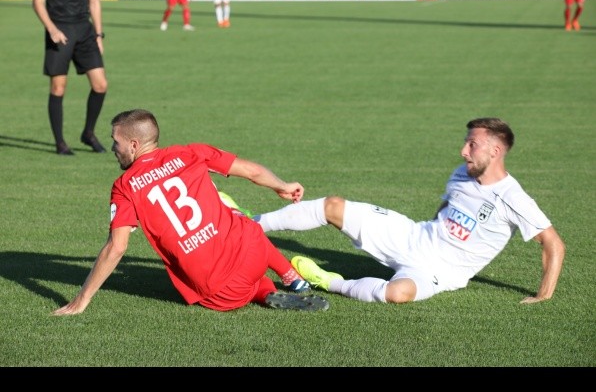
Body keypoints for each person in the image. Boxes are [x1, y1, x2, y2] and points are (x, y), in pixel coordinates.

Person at [254, 118, 566, 305]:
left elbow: (553, 243)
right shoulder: (462, 173)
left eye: (472, 145)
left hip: (441, 273)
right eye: (465, 143)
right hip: (413, 236)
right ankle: (250, 225)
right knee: (332, 206)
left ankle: (328, 281)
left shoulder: (514, 198)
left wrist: (544, 295)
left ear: (495, 151)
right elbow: (446, 206)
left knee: (397, 294)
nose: (463, 151)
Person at [52, 109, 328, 316]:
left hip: (221, 295)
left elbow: (117, 247)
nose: (114, 148)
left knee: (232, 279)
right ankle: (288, 276)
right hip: (255, 255)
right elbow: (253, 172)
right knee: (236, 216)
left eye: (116, 142)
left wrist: (82, 299)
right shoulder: (191, 152)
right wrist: (283, 186)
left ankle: (263, 292)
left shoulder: (125, 186)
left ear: (134, 145)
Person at [32, 0, 108, 155]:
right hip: (59, 29)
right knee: (58, 87)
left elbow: (94, 1)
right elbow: (38, 2)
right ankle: (60, 143)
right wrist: (52, 29)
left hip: (85, 30)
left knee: (100, 85)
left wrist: (98, 34)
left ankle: (88, 133)